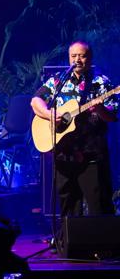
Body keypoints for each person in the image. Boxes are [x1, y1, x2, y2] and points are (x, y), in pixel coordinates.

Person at [31, 41, 118, 218]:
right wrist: (49, 114)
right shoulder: (58, 80)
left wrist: (100, 109)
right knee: (68, 206)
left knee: (98, 206)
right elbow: (35, 101)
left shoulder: (101, 82)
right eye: (74, 56)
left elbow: (113, 116)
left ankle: (101, 245)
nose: (77, 60)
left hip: (91, 154)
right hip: (64, 155)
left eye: (82, 55)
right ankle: (68, 245)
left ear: (90, 58)